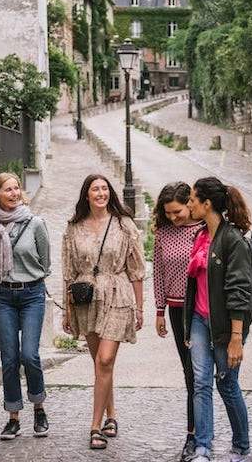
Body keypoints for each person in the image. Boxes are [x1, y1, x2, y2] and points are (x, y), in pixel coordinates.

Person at [61, 174, 146, 450]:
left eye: (105, 189)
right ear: (87, 195)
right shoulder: (73, 228)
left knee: (105, 360)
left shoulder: (124, 225)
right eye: (95, 189)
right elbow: (68, 272)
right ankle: (112, 414)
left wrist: (140, 307)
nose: (101, 193)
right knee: (100, 362)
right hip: (86, 298)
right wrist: (66, 310)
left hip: (118, 294)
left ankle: (95, 427)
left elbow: (136, 269)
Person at [0, 172, 51, 440]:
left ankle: (39, 407)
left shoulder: (35, 223)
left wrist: (28, 277)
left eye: (16, 188)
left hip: (31, 294)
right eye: (8, 189)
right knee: (8, 358)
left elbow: (46, 262)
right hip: (2, 296)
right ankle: (13, 417)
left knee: (29, 355)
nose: (14, 193)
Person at [185, 177, 252, 462]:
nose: (189, 204)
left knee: (226, 384)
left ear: (207, 204)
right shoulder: (200, 236)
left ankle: (241, 447)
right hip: (200, 321)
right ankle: (203, 448)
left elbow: (239, 291)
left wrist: (237, 339)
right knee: (201, 383)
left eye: (192, 200)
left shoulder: (232, 240)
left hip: (226, 328)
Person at [153, 181, 203, 462]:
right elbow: (158, 273)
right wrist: (159, 311)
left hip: (201, 308)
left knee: (202, 374)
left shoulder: (203, 230)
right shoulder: (162, 233)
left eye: (177, 211)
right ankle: (192, 435)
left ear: (189, 204)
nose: (173, 217)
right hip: (175, 309)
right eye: (168, 213)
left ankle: (201, 433)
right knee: (189, 373)